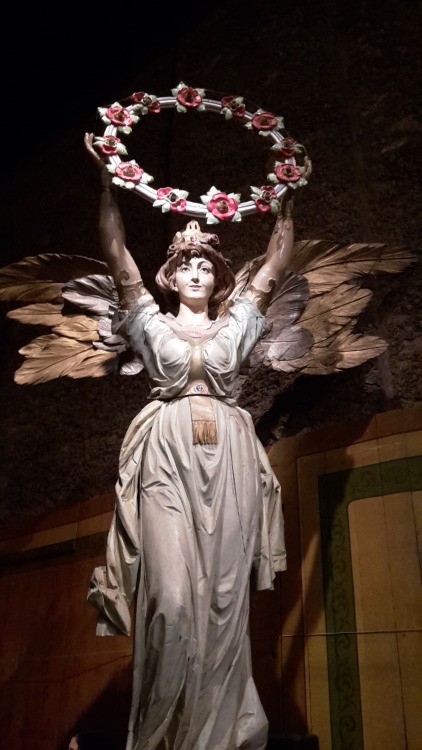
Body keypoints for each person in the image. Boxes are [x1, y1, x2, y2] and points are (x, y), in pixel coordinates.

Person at [84, 132, 291, 750]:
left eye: (208, 265)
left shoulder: (240, 323)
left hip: (228, 454)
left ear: (218, 278)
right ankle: (160, 735)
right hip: (167, 451)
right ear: (171, 276)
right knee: (172, 598)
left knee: (225, 602)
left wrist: (287, 198)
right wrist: (105, 183)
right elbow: (115, 249)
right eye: (188, 265)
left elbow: (278, 261)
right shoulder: (149, 319)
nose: (198, 270)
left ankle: (222, 734)